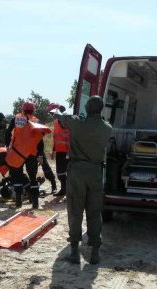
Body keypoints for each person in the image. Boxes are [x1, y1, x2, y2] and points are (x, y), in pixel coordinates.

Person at [51, 96, 112, 265]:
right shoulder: (107, 128)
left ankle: (74, 252)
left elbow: (60, 119)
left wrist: (58, 113)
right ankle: (95, 253)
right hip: (96, 172)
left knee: (75, 211)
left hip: (77, 171)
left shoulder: (77, 123)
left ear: (88, 107)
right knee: (94, 212)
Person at [5, 102, 51, 209]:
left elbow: (8, 132)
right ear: (33, 110)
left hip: (17, 152)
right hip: (32, 153)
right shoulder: (36, 121)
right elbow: (40, 140)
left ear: (23, 110)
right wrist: (40, 155)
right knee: (33, 178)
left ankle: (18, 203)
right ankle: (35, 203)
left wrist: (7, 146)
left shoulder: (16, 119)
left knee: (17, 177)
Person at [47, 103, 69, 196]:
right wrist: (53, 150)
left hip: (66, 151)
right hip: (60, 150)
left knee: (62, 172)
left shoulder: (64, 118)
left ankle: (65, 190)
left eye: (52, 113)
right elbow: (56, 137)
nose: (51, 115)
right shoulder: (57, 121)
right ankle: (65, 189)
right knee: (61, 172)